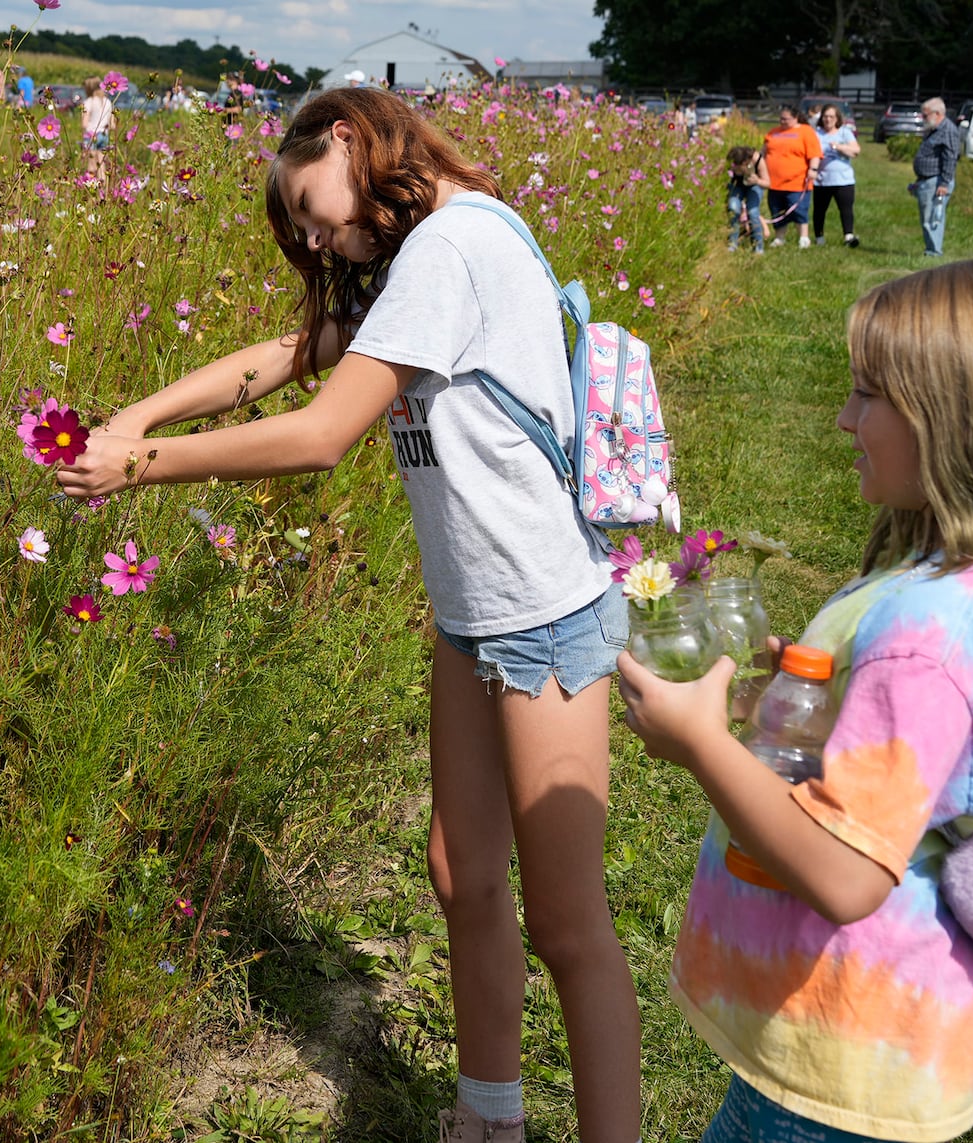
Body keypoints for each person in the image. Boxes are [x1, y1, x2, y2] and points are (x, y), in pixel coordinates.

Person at [55, 86, 642, 1143]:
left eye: (315, 212)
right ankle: (490, 1117)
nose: (321, 239)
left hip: (543, 615)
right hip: (472, 617)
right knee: (461, 875)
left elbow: (321, 432)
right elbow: (285, 357)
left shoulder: (449, 249)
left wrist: (138, 465)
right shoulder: (420, 252)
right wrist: (137, 413)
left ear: (345, 139)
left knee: (567, 922)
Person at [618, 257, 973, 1143]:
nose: (844, 417)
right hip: (863, 1055)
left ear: (956, 424)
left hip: (842, 1063)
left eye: (867, 397)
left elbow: (845, 874)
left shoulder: (927, 636)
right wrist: (803, 699)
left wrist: (703, 744)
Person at [762, 105, 822, 248]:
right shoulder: (773, 133)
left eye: (786, 119)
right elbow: (763, 152)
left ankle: (803, 237)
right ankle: (779, 237)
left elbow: (814, 154)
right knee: (776, 210)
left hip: (797, 182)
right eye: (780, 119)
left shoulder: (806, 132)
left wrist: (813, 169)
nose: (782, 122)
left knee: (799, 210)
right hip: (774, 182)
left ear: (795, 118)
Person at [911, 97, 958, 257]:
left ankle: (933, 252)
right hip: (927, 180)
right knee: (928, 218)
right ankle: (931, 249)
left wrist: (944, 184)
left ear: (937, 113)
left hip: (937, 182)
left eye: (925, 115)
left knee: (933, 219)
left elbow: (950, 158)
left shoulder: (948, 130)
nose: (923, 118)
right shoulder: (934, 129)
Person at [812, 104, 861, 247]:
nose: (828, 120)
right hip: (822, 180)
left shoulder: (844, 133)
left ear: (837, 118)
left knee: (846, 209)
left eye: (831, 117)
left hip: (843, 180)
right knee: (819, 210)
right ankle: (819, 237)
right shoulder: (817, 134)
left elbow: (856, 150)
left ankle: (848, 236)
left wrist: (839, 147)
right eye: (825, 116)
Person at [724, 144, 768, 254]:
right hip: (738, 186)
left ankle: (758, 246)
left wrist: (757, 181)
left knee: (753, 212)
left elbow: (768, 183)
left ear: (746, 162)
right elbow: (716, 173)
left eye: (740, 168)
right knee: (733, 208)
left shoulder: (757, 160)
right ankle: (732, 243)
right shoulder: (731, 162)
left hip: (754, 185)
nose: (737, 170)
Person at [79, 76, 114, 177]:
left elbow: (84, 124)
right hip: (104, 135)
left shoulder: (89, 102)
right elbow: (112, 125)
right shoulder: (107, 102)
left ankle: (91, 184)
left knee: (91, 165)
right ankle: (103, 186)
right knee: (101, 164)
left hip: (91, 135)